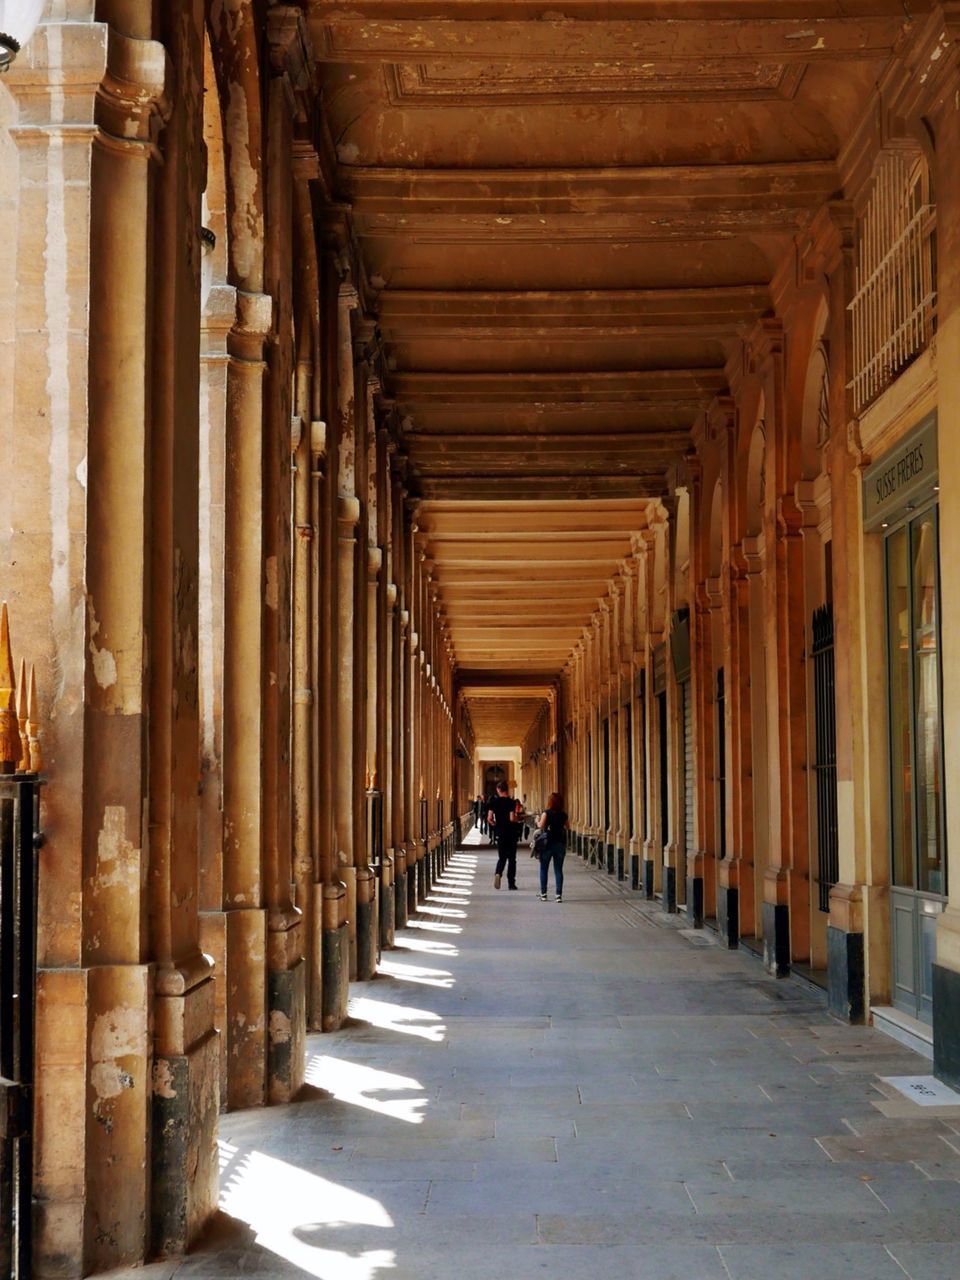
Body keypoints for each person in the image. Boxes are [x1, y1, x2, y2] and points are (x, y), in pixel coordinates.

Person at [488, 779, 523, 890]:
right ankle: (511, 884)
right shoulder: (511, 802)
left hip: (500, 833)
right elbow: (512, 818)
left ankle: (498, 872)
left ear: (498, 790)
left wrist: (495, 825)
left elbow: (489, 818)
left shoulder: (494, 802)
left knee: (502, 857)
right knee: (512, 859)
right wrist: (519, 819)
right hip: (511, 833)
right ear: (507, 790)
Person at [536, 792, 569, 902]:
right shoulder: (563, 814)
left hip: (547, 844)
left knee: (543, 868)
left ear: (550, 802)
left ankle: (543, 894)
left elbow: (541, 826)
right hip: (560, 844)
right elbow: (567, 826)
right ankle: (558, 895)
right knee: (558, 870)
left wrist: (537, 820)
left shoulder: (546, 813)